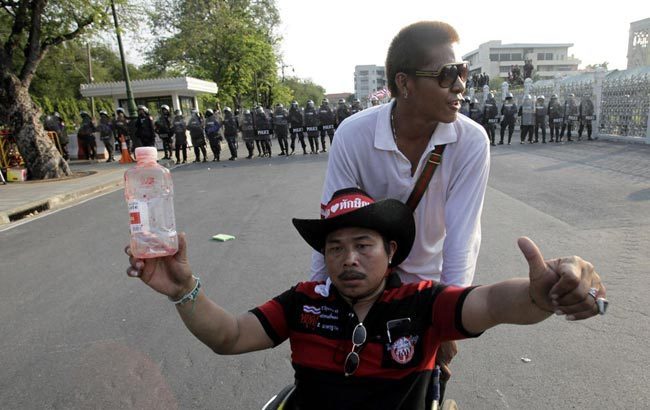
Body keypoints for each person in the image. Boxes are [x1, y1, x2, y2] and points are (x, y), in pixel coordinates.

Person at [125, 188, 608, 410]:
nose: (347, 259)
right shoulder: (303, 301)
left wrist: (539, 295)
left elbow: (498, 305)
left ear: (390, 250)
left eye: (362, 245)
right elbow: (229, 337)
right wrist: (183, 290)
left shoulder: (425, 302)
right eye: (335, 247)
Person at [309, 22, 489, 386]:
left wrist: (448, 320)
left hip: (427, 287)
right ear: (405, 83)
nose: (460, 85)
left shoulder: (471, 142)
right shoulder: (354, 135)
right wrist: (315, 302)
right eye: (447, 74)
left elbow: (462, 237)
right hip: (363, 285)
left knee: (420, 389)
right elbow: (333, 225)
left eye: (464, 72)